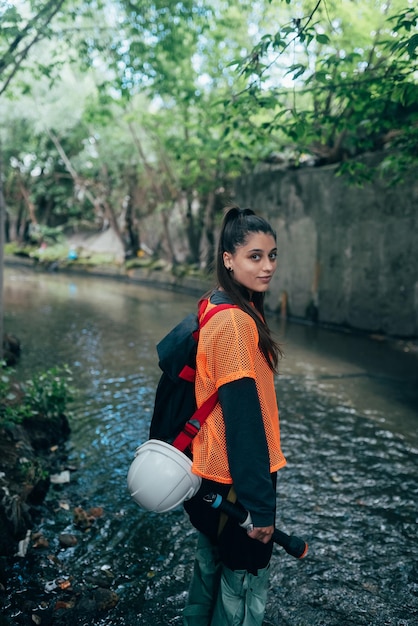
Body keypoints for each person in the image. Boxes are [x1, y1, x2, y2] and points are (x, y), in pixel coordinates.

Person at [183, 205, 287, 625]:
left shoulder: (217, 304)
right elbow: (244, 423)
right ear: (229, 259)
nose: (268, 266)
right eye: (255, 256)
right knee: (242, 588)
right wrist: (261, 508)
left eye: (273, 255)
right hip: (234, 487)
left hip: (212, 477)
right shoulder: (235, 324)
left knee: (210, 570)